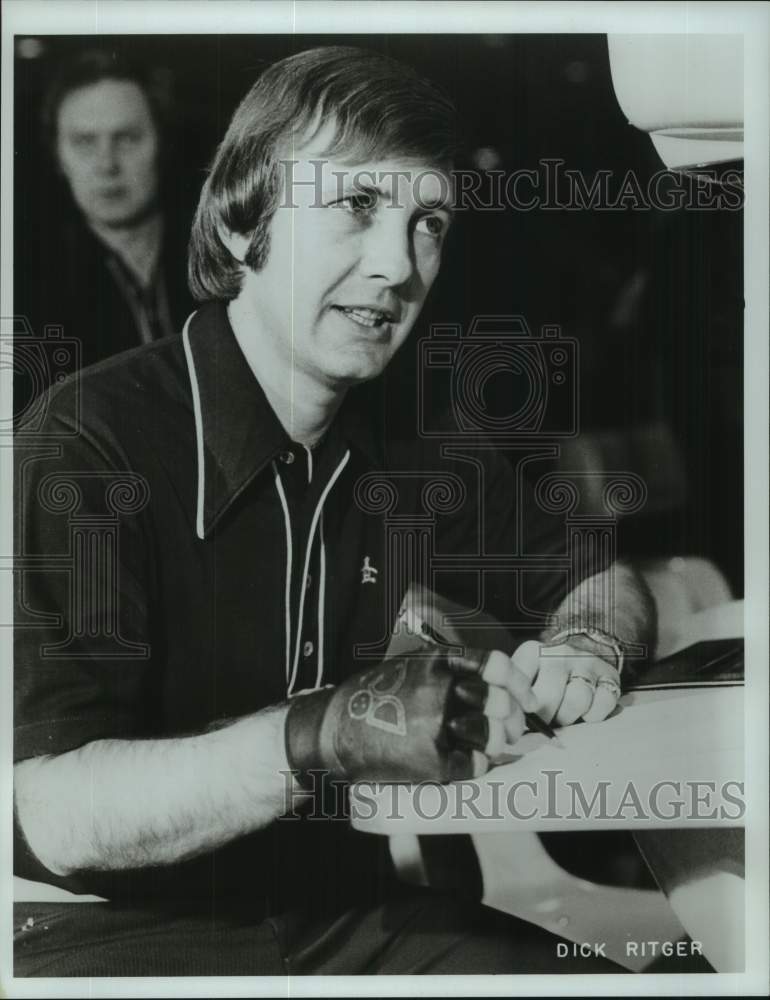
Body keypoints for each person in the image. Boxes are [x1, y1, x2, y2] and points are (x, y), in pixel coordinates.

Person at [13, 46, 655, 976]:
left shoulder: (407, 438)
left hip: (336, 909)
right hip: (107, 931)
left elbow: (601, 579)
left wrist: (587, 646)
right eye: (357, 206)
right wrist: (321, 733)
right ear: (243, 222)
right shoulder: (86, 443)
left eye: (426, 221)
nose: (397, 265)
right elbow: (56, 814)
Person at [13, 48, 193, 418]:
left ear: (161, 142)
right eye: (84, 142)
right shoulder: (28, 285)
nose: (106, 164)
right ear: (59, 157)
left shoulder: (221, 257)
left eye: (126, 138)